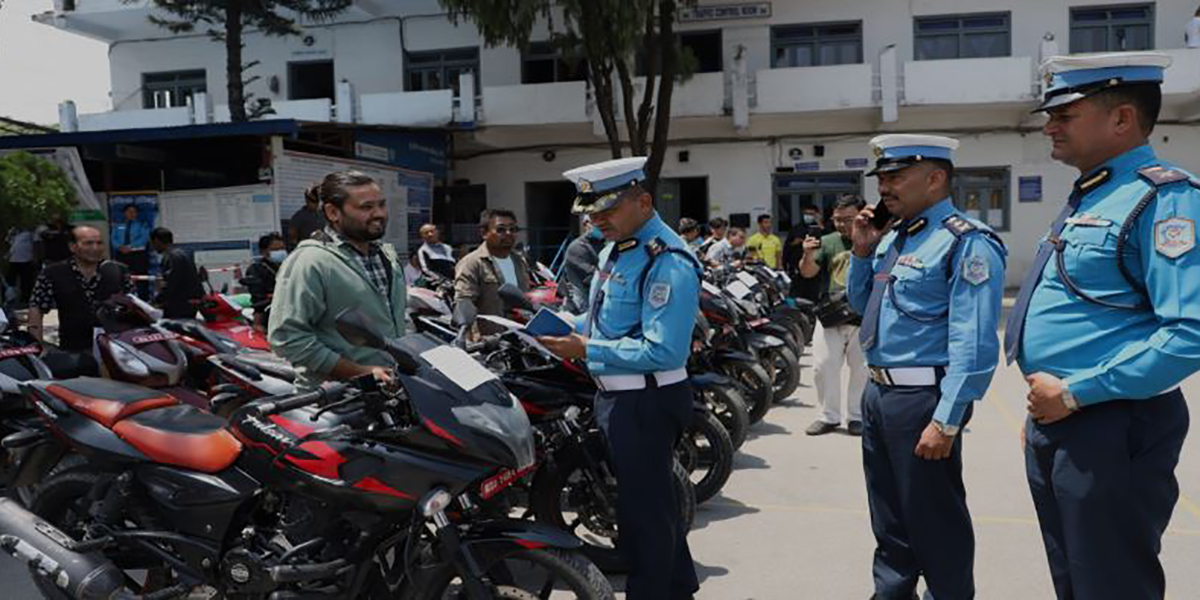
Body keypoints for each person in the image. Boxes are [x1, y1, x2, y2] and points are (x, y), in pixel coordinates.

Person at [1005, 52, 1200, 600]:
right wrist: (1055, 410)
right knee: (1075, 579)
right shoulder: (1095, 193)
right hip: (1066, 419)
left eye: (1065, 114)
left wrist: (1075, 394)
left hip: (1111, 422)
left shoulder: (1164, 197)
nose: (1050, 125)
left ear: (1121, 119)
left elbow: (1189, 333)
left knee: (1111, 584)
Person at [847, 134, 1006, 599]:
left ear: (935, 179)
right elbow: (862, 305)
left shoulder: (964, 243)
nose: (884, 188)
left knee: (935, 525)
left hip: (922, 401)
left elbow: (974, 343)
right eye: (882, 178)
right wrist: (861, 252)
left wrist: (948, 418)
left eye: (896, 177)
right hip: (879, 394)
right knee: (891, 522)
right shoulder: (894, 237)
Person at [539, 156, 700, 600]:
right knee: (649, 507)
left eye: (607, 210)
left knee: (644, 515)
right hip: (617, 398)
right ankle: (680, 587)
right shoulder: (616, 247)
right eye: (591, 212)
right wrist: (560, 326)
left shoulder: (667, 260)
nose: (596, 220)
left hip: (646, 400)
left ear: (644, 202)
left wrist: (585, 348)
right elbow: (602, 320)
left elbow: (663, 349)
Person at [269, 171, 407, 391]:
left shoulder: (387, 256)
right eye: (366, 207)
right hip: (335, 398)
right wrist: (361, 372)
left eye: (381, 205)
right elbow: (288, 338)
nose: (379, 213)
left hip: (391, 390)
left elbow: (397, 321)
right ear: (333, 212)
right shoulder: (310, 261)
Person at [802, 194, 869, 436]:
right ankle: (828, 416)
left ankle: (856, 417)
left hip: (863, 317)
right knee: (823, 367)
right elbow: (808, 273)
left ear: (862, 215)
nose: (842, 225)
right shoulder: (827, 241)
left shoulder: (875, 239)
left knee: (861, 369)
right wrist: (807, 254)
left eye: (848, 219)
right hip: (830, 315)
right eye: (837, 219)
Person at [28, 226, 133, 375]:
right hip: (73, 351)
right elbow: (36, 307)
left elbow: (133, 306)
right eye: (88, 243)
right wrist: (37, 347)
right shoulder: (52, 273)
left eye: (99, 243)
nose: (95, 248)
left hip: (116, 351)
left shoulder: (119, 271)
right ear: (73, 247)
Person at [455, 209, 531, 318]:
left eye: (513, 229)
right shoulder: (472, 263)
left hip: (521, 332)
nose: (508, 233)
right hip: (490, 334)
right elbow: (464, 303)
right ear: (484, 233)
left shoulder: (519, 260)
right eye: (501, 230)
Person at [149, 227, 203, 319]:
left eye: (152, 243)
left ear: (157, 241)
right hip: (190, 303)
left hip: (179, 305)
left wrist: (157, 300)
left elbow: (171, 282)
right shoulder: (182, 254)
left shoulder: (170, 257)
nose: (152, 246)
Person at [560, 215, 605, 314]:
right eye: (596, 222)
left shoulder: (602, 244)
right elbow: (593, 274)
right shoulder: (577, 248)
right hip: (581, 305)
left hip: (598, 300)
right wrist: (616, 278)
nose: (601, 226)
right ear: (586, 224)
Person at [243, 232, 287, 330]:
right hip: (269, 316)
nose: (281, 252)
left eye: (282, 248)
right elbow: (258, 299)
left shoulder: (288, 267)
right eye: (275, 249)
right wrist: (258, 324)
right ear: (264, 251)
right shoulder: (256, 269)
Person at [110, 203, 151, 294]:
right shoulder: (118, 225)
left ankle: (144, 299)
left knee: (141, 278)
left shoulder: (142, 225)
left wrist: (130, 247)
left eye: (134, 212)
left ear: (137, 213)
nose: (131, 213)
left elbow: (144, 239)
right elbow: (113, 238)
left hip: (138, 255)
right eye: (129, 211)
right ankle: (124, 299)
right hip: (121, 254)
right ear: (125, 213)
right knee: (122, 277)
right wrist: (119, 247)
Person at [4, 227, 37, 306]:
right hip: (14, 260)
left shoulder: (30, 234)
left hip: (26, 260)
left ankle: (25, 298)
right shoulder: (14, 233)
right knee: (11, 281)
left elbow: (36, 244)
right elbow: (10, 244)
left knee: (25, 281)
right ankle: (10, 298)